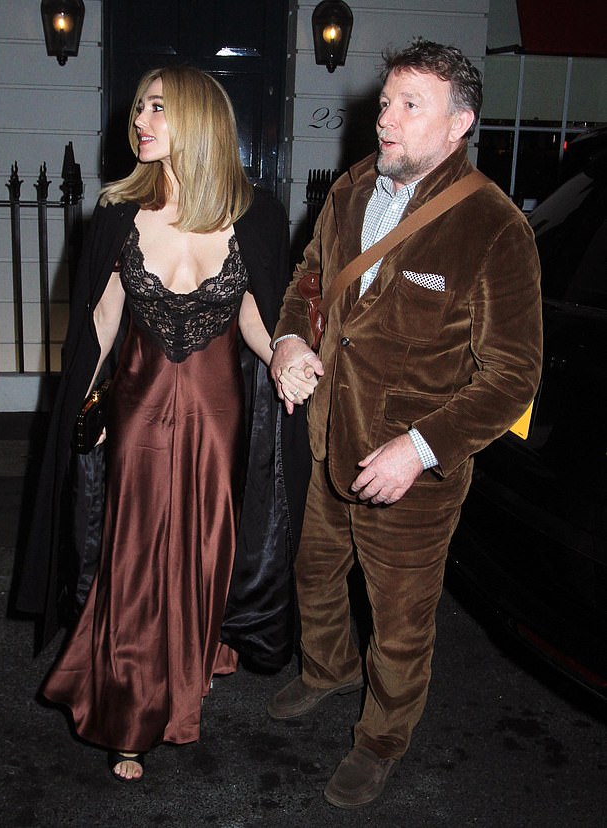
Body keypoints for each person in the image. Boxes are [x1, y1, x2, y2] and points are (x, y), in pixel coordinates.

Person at [267, 39, 542, 809]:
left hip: (410, 478)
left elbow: (513, 378)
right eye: (385, 102)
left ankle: (381, 740)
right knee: (315, 579)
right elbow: (310, 280)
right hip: (331, 439)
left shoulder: (495, 229)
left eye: (408, 106)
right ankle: (327, 672)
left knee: (399, 623)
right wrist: (291, 338)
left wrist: (420, 451)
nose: (384, 119)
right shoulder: (354, 187)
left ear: (459, 125)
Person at [14, 65, 309, 780]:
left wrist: (284, 356)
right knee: (136, 557)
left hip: (217, 419)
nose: (140, 121)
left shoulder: (257, 216)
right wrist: (75, 418)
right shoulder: (117, 215)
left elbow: (252, 313)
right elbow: (103, 322)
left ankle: (191, 658)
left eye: (157, 109)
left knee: (205, 549)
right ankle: (133, 709)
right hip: (140, 413)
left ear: (200, 122)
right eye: (140, 107)